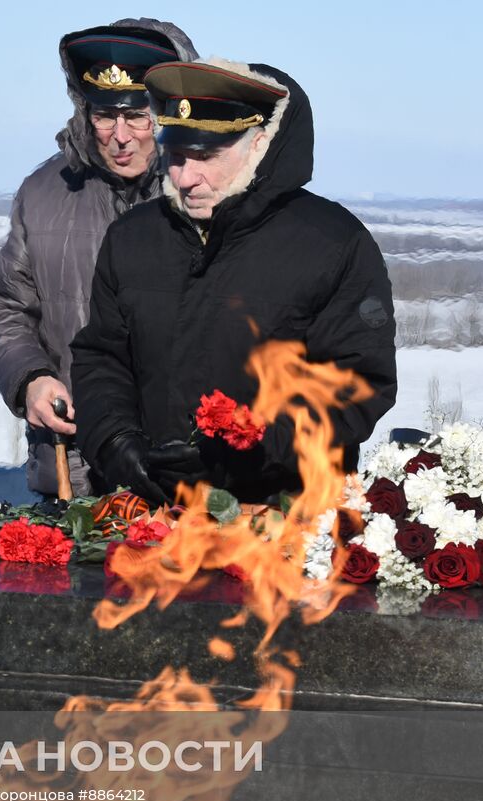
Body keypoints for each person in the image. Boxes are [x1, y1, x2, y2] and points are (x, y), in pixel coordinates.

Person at [70, 59, 397, 505]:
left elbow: (355, 385)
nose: (185, 178)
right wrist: (114, 442)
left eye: (206, 156)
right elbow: (102, 357)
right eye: (177, 155)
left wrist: (248, 451)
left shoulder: (332, 242)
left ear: (259, 145)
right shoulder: (133, 237)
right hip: (151, 514)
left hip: (281, 517)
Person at [0, 20, 197, 500]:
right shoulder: (43, 193)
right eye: (103, 115)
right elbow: (2, 308)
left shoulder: (205, 193)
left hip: (187, 471)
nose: (120, 136)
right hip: (75, 468)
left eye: (138, 115)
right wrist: (30, 378)